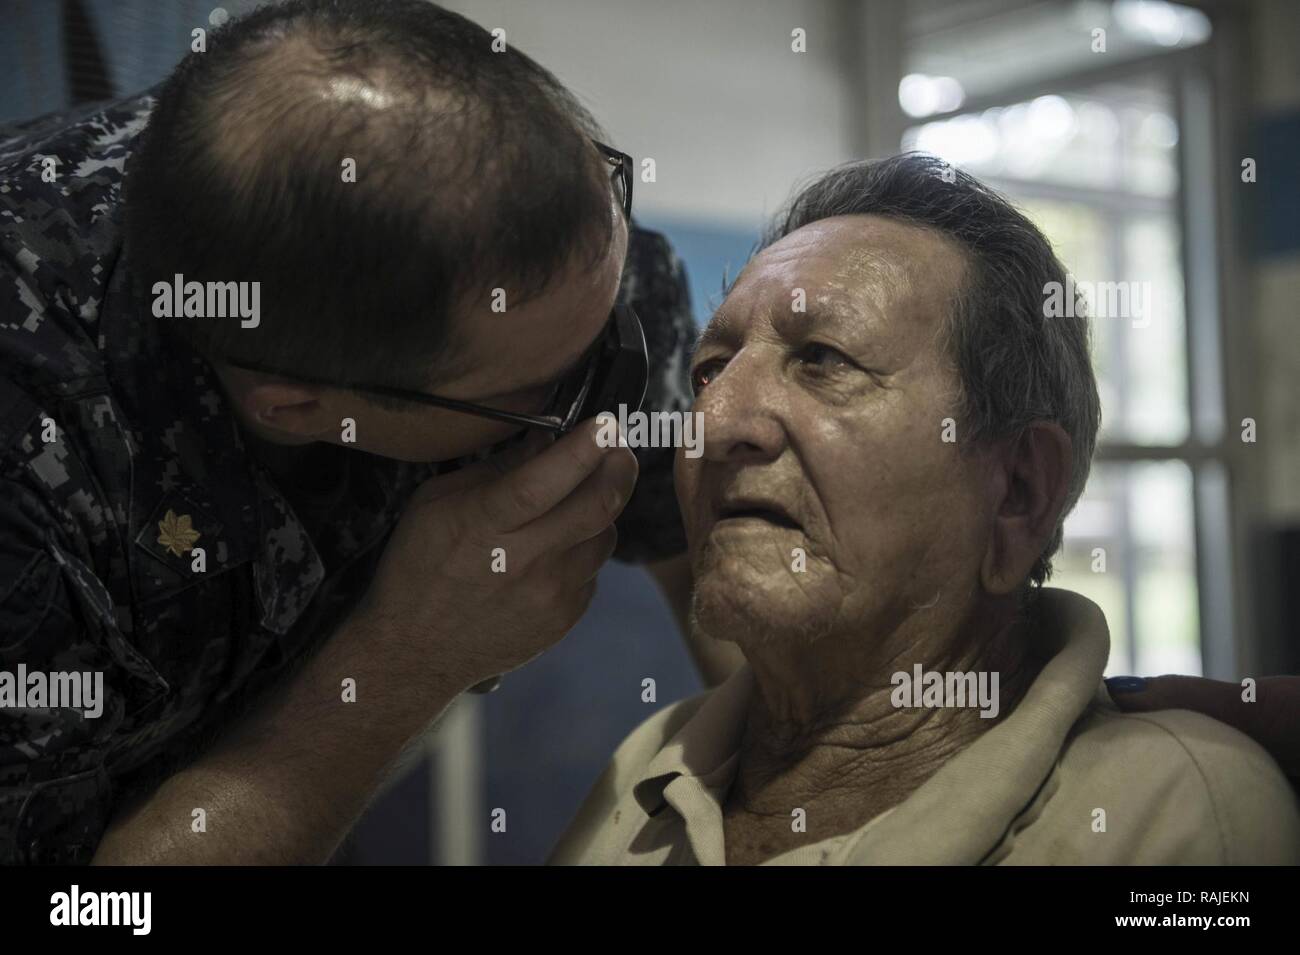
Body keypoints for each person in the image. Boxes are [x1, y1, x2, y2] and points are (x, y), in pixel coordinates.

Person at [0, 0, 704, 864]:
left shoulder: (529, 253)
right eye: (544, 390)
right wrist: (406, 658)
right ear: (295, 407)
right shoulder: (36, 471)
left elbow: (723, 570)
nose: (604, 376)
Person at [548, 154, 1300, 865]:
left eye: (821, 359)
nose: (711, 422)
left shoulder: (1174, 813)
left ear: (1017, 492)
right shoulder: (647, 770)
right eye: (711, 371)